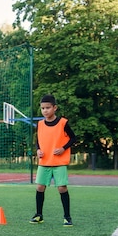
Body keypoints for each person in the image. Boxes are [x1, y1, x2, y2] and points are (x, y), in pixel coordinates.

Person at [29, 94, 76, 226]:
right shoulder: (40, 124)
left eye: (48, 108)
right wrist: (38, 149)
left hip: (58, 162)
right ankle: (39, 215)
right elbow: (38, 140)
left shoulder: (63, 123)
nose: (45, 110)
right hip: (44, 162)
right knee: (40, 187)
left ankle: (67, 217)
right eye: (43, 108)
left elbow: (73, 138)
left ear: (55, 108)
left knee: (62, 188)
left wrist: (63, 148)